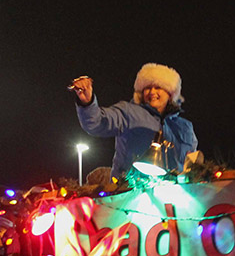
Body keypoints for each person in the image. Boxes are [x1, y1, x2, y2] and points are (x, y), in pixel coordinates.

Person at [71, 63, 199, 178]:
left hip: (173, 194)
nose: (152, 92)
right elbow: (97, 123)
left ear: (170, 93)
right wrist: (87, 103)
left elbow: (190, 162)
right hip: (131, 193)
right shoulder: (128, 112)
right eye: (147, 88)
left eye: (158, 87)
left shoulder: (184, 127)